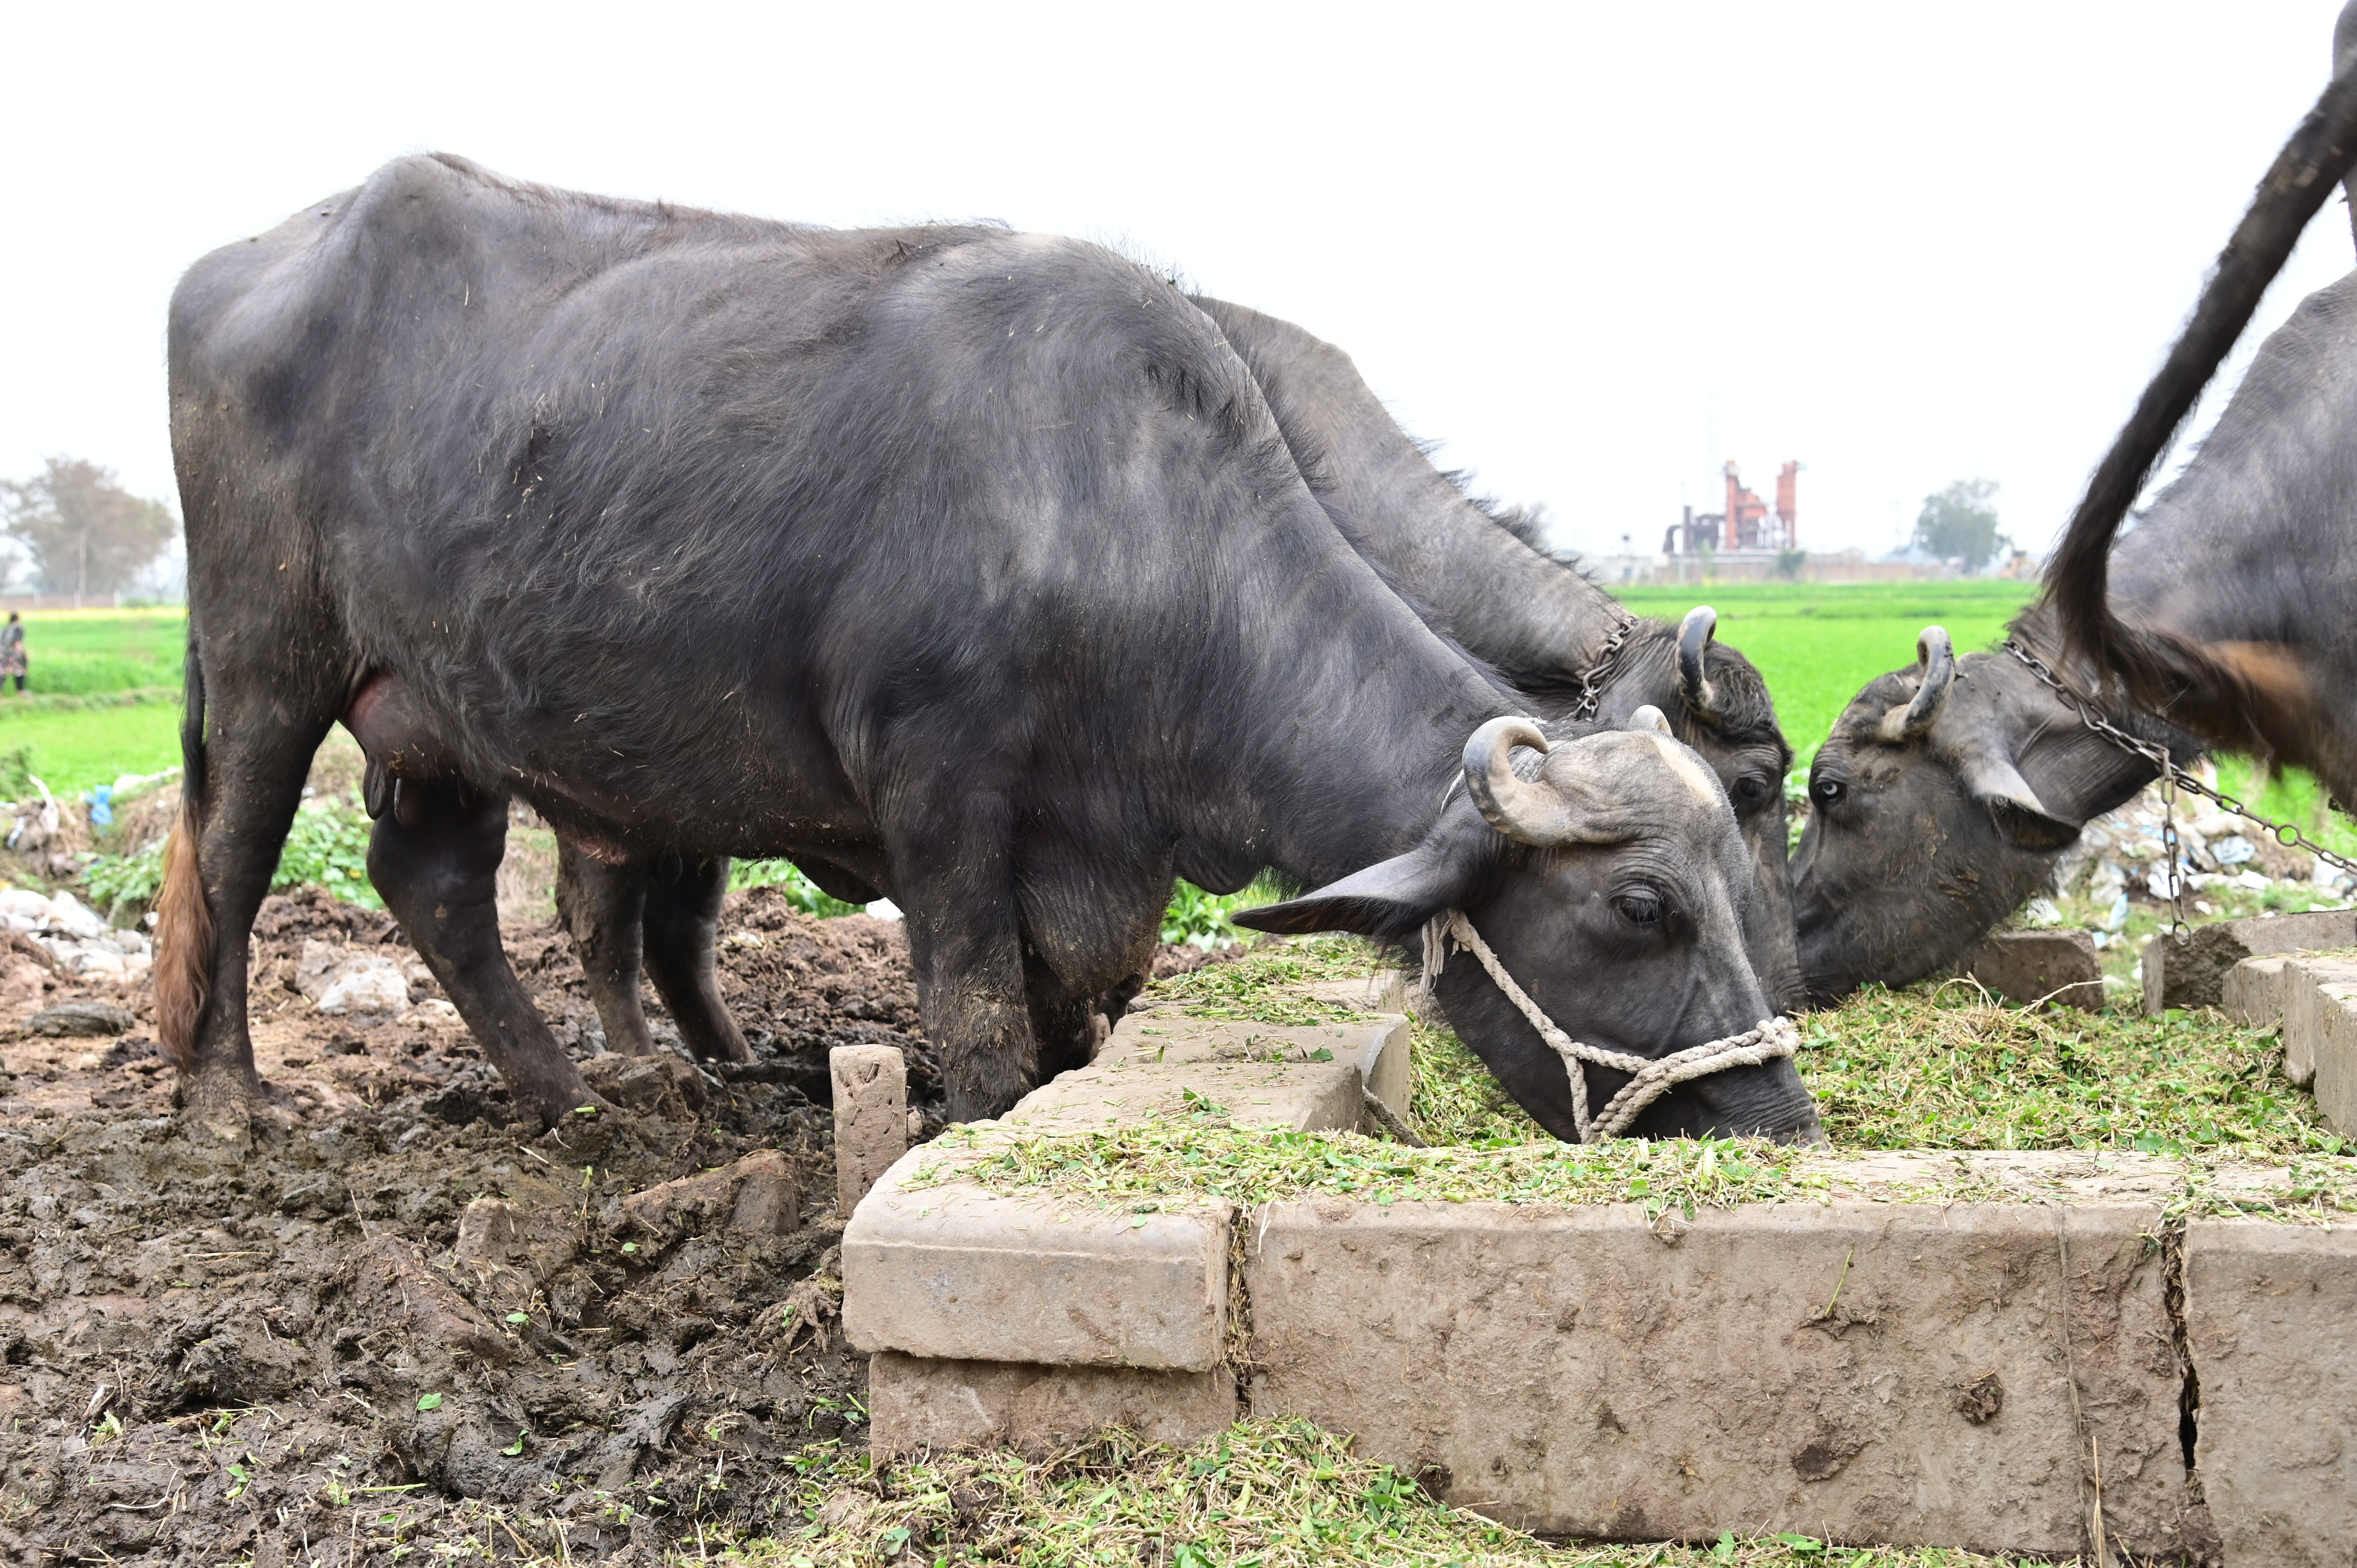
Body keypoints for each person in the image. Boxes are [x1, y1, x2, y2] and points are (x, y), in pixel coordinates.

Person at [0, 613, 25, 694]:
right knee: (20, 670)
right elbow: (18, 644)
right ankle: (21, 691)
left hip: (2, 654)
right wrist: (24, 655)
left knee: (3, 672)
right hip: (13, 655)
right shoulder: (18, 629)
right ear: (18, 619)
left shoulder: (5, 629)